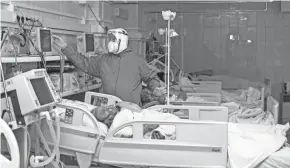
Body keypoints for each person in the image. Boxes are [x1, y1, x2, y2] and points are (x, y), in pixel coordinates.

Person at [52, 28, 165, 107]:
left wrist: (156, 89)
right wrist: (65, 47)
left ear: (123, 41)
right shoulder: (103, 60)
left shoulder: (137, 61)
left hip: (130, 111)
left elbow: (151, 78)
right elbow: (84, 62)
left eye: (113, 39)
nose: (110, 43)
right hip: (107, 109)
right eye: (110, 39)